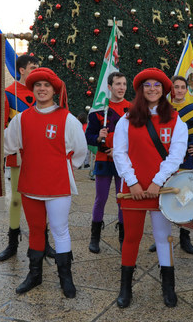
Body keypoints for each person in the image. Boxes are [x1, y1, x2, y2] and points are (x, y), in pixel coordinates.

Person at [4, 67, 87, 299]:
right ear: (33, 89)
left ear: (54, 90)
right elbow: (6, 145)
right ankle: (35, 275)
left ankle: (65, 278)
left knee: (60, 230)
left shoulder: (68, 119)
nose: (42, 89)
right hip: (30, 183)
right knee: (35, 229)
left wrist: (65, 169)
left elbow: (80, 152)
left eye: (46, 85)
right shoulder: (21, 119)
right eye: (38, 85)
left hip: (57, 185)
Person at [113, 68, 187, 308]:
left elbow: (176, 156)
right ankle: (125, 288)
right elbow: (120, 153)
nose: (152, 89)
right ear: (140, 90)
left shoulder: (175, 120)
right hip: (132, 189)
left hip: (162, 189)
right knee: (131, 238)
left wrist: (157, 182)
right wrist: (133, 182)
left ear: (164, 90)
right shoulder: (126, 120)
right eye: (147, 85)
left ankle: (168, 287)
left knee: (164, 238)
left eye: (157, 85)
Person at [147, 75, 193, 254]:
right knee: (162, 200)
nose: (180, 90)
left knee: (185, 200)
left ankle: (185, 237)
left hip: (186, 162)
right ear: (171, 90)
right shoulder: (160, 109)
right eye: (176, 87)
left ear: (187, 89)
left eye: (183, 87)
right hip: (163, 162)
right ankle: (161, 236)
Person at [0, 54, 49, 262]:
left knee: (44, 197)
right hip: (18, 154)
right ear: (21, 70)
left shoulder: (42, 92)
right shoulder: (9, 93)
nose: (37, 71)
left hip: (42, 154)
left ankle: (44, 242)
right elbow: (3, 126)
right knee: (17, 199)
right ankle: (12, 243)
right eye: (33, 67)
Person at [85, 71, 131, 253]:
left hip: (123, 161)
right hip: (104, 160)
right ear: (110, 87)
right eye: (118, 84)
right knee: (101, 198)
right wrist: (98, 137)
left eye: (124, 84)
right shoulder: (99, 110)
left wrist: (120, 151)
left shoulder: (133, 110)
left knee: (123, 199)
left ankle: (123, 237)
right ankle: (94, 236)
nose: (122, 87)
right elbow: (88, 136)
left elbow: (137, 137)